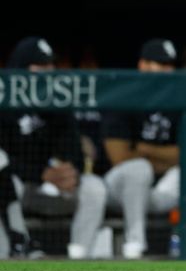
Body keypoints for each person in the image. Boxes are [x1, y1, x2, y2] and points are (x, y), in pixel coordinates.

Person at [99, 39, 186, 259]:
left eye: (169, 64)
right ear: (143, 65)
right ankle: (135, 244)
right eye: (160, 63)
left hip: (164, 186)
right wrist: (164, 156)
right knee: (138, 169)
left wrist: (145, 149)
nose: (166, 70)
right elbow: (119, 157)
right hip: (120, 190)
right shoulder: (123, 96)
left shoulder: (180, 100)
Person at [0, 37, 107, 259]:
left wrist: (71, 171)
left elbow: (75, 149)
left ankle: (80, 257)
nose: (48, 71)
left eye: (51, 65)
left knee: (94, 187)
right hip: (19, 187)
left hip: (54, 187)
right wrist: (40, 173)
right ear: (22, 68)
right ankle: (12, 249)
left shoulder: (58, 101)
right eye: (41, 66)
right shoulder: (5, 100)